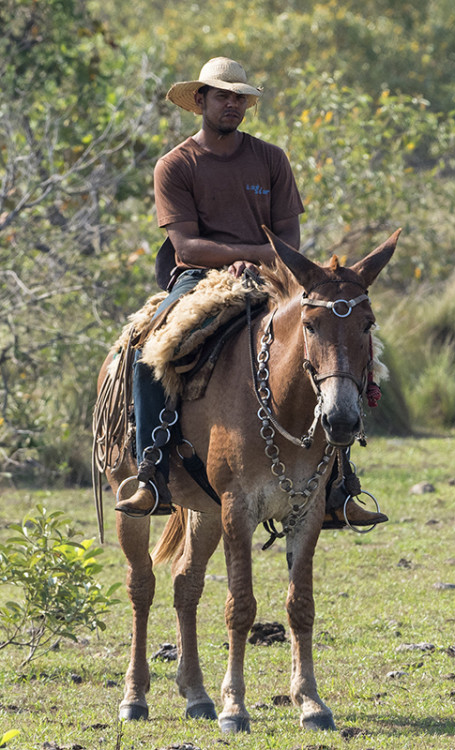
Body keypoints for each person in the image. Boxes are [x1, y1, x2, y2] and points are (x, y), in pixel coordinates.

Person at [115, 57, 386, 529]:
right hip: (199, 279)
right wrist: (240, 257)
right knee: (149, 351)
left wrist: (258, 261)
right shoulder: (176, 165)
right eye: (223, 95)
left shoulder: (270, 158)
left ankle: (340, 482)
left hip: (274, 278)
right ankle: (152, 471)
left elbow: (291, 242)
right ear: (199, 100)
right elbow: (186, 244)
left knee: (344, 342)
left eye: (240, 97)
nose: (233, 104)